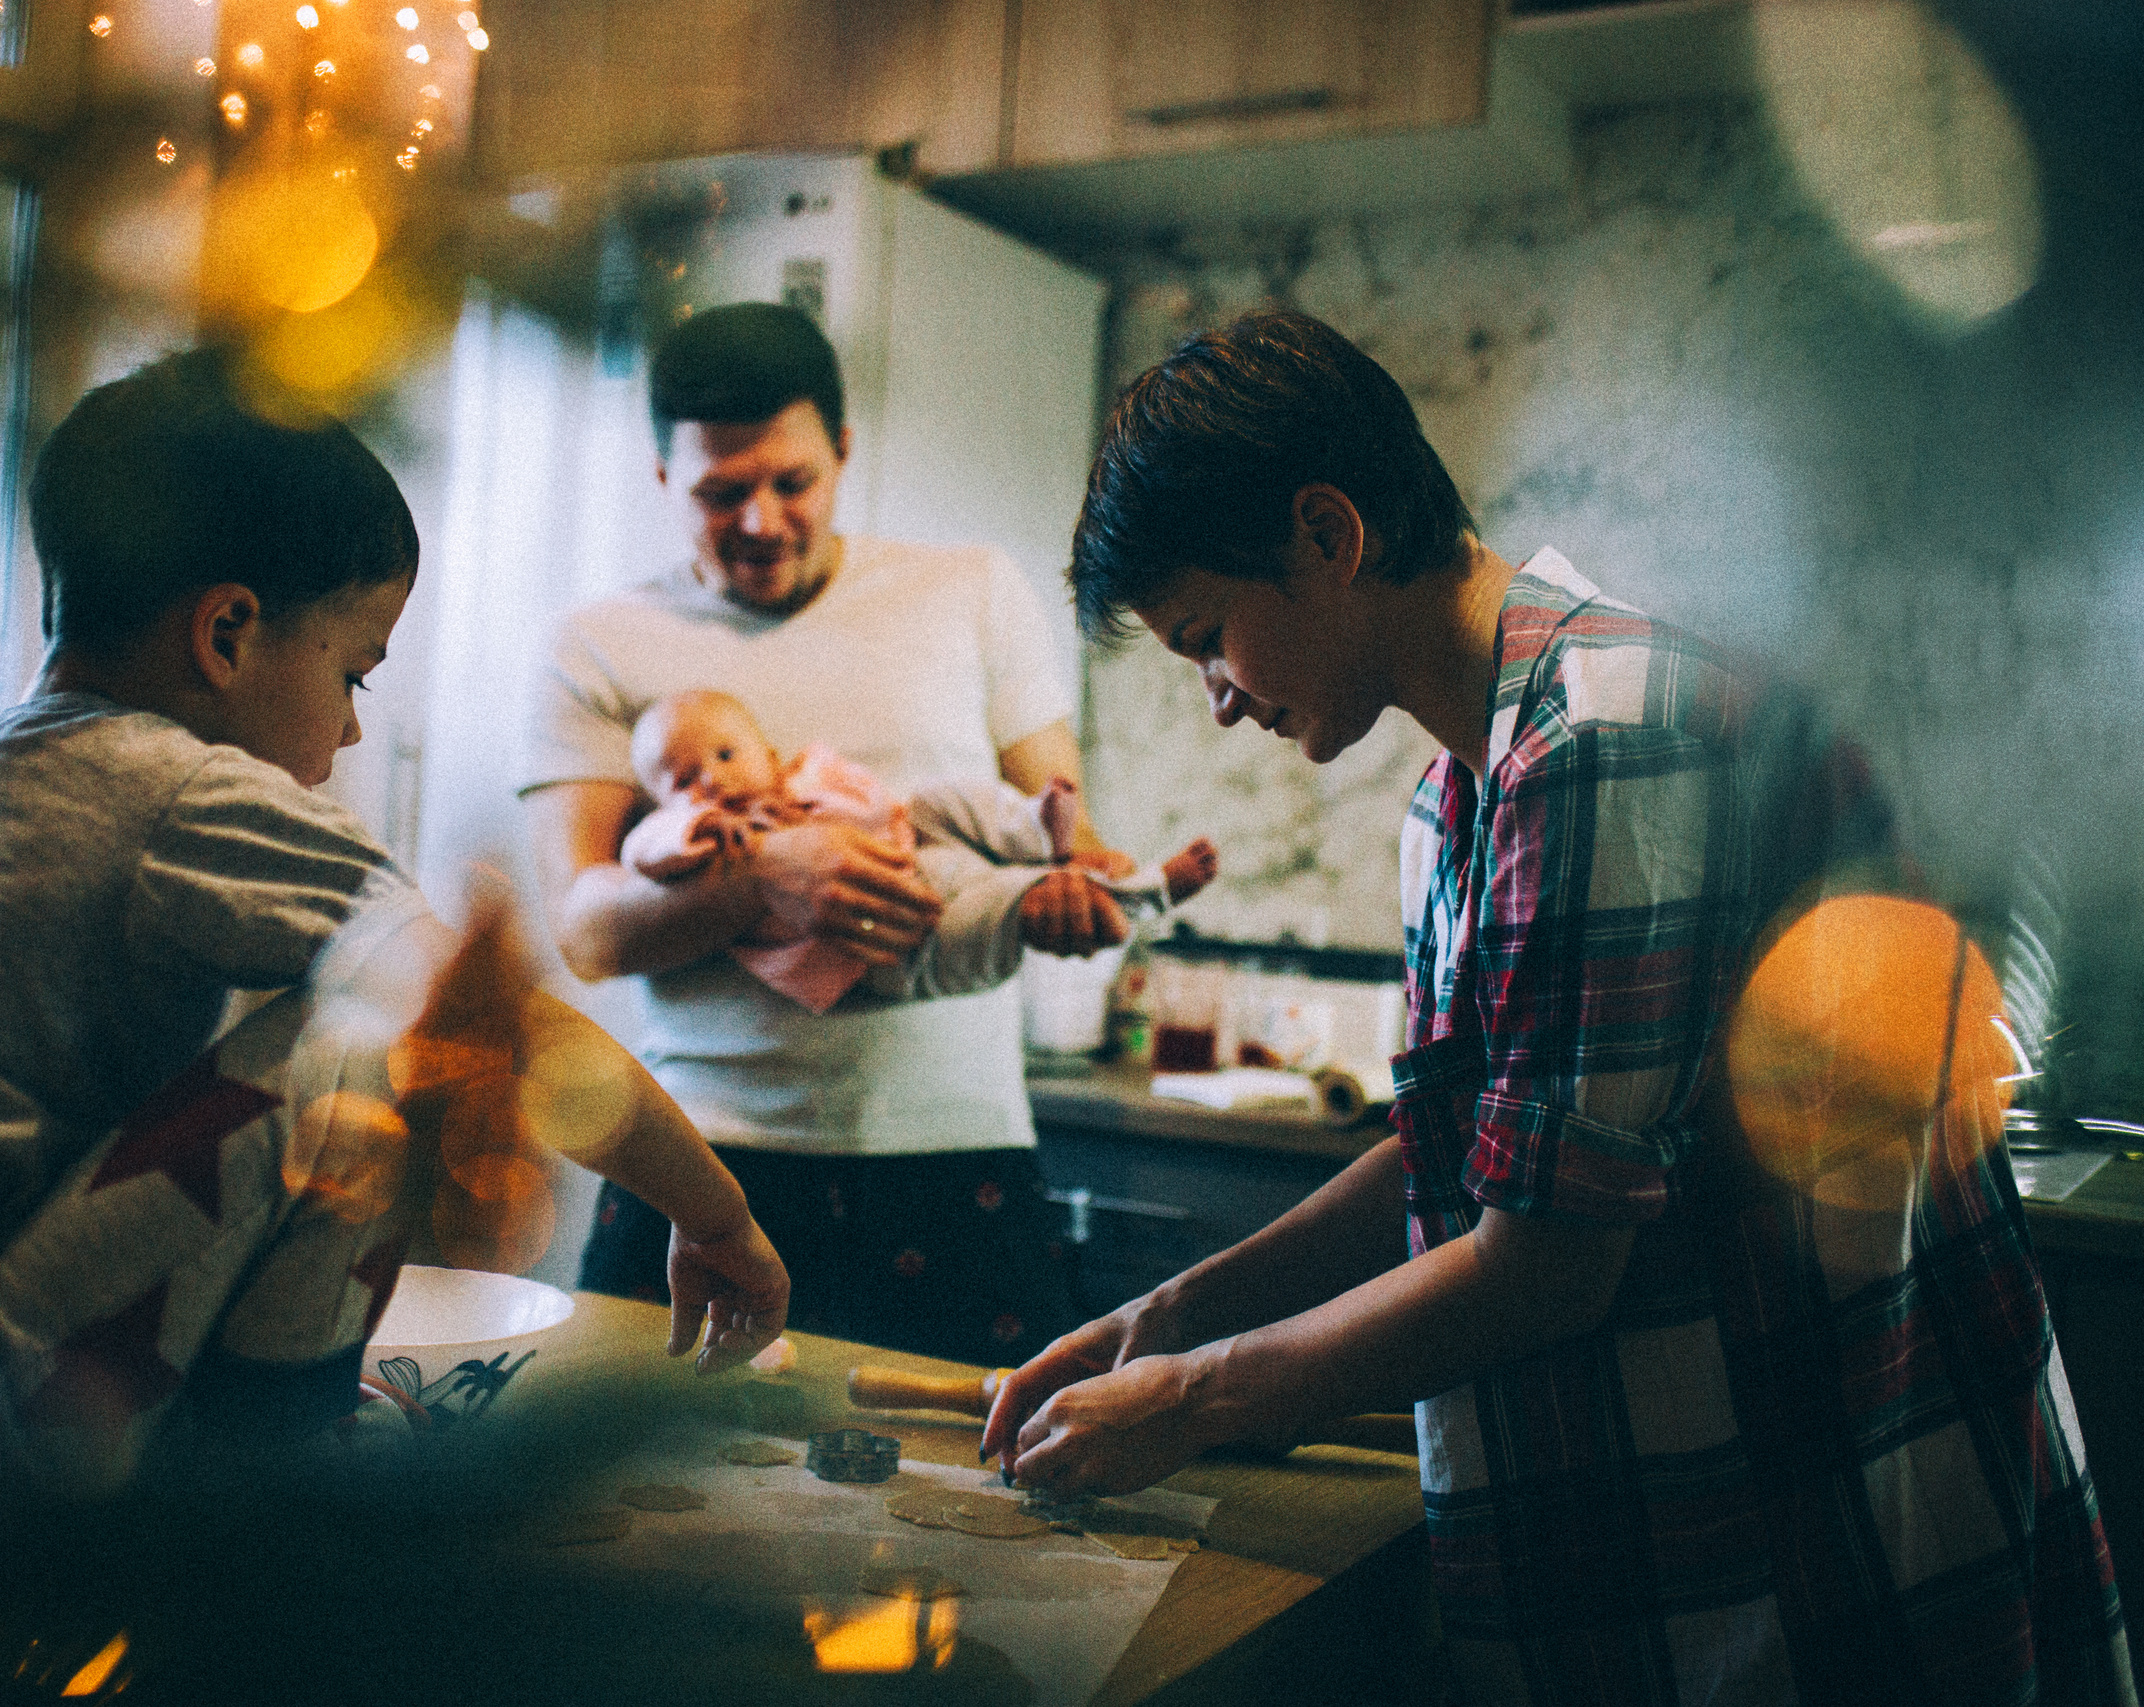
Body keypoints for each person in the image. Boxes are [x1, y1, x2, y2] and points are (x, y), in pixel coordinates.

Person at [981, 311, 2133, 1704]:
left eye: (1208, 639)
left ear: (1328, 535)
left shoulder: (1601, 734)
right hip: (1660, 1537)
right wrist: (1167, 1314)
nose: (1219, 699)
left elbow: (1546, 1261)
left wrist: (1190, 1395)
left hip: (1813, 1518)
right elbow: (1469, 1149)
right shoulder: (1454, 792)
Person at [0, 348, 789, 1598]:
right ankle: (281, 1504)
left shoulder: (2, 780)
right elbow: (493, 1027)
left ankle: (246, 1453)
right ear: (227, 632)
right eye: (352, 673)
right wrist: (715, 1216)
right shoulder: (169, 787)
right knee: (363, 1043)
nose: (352, 726)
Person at [522, 302, 1127, 1365]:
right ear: (663, 477)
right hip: (695, 1159)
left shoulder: (972, 593)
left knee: (979, 1466)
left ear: (843, 451)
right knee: (647, 1469)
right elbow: (584, 930)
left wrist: (1087, 893)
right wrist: (762, 878)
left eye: (792, 482)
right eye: (720, 493)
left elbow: (1066, 834)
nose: (761, 521)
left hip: (956, 1148)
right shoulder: (599, 643)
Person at [621, 687, 1218, 1013]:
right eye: (682, 778)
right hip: (879, 946)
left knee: (942, 798)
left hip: (917, 843)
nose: (710, 779)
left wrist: (827, 807)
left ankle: (1038, 829)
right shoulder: (690, 831)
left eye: (726, 755)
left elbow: (881, 806)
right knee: (1001, 907)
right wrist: (699, 827)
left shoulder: (807, 778)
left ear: (771, 757)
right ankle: (1145, 891)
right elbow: (642, 851)